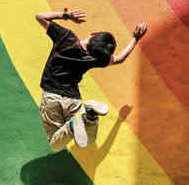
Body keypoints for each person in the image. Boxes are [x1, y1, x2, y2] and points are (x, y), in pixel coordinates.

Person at [35, 9, 147, 151]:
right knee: (88, 140)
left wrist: (67, 16)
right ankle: (91, 116)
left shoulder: (66, 37)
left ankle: (71, 126)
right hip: (73, 100)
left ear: (94, 34)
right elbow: (120, 59)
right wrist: (136, 38)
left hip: (51, 97)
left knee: (55, 144)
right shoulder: (93, 59)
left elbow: (40, 17)